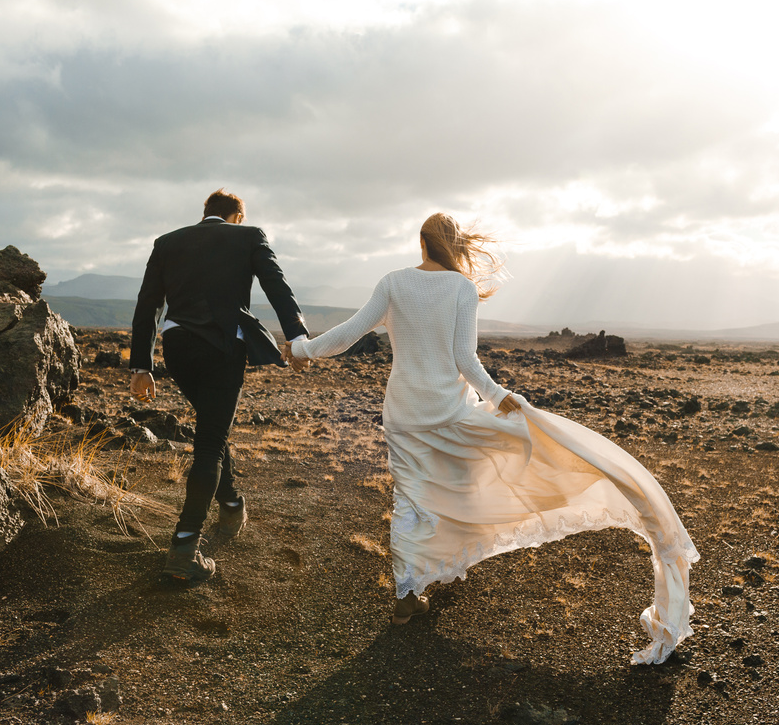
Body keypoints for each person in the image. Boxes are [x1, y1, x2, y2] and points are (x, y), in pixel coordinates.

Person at [284, 213, 699, 664]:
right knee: (459, 484)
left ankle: (410, 588)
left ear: (422, 244)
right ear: (454, 247)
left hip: (404, 413)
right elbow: (465, 357)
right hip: (449, 410)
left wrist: (303, 349)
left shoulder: (393, 283)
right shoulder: (461, 288)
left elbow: (348, 334)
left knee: (411, 497)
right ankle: (439, 566)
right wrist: (499, 396)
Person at [130, 188, 309, 583]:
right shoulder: (249, 236)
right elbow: (277, 286)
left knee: (212, 426)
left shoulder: (167, 242)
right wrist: (297, 338)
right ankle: (184, 547)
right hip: (223, 350)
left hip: (178, 350)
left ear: (204, 212)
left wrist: (142, 366)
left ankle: (230, 504)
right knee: (210, 441)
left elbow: (148, 305)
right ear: (238, 216)